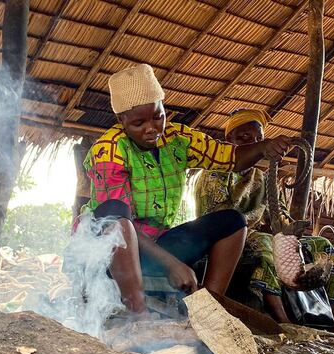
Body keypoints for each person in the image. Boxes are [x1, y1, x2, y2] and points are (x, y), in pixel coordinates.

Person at [80, 64, 293, 314]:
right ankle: (137, 314)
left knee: (232, 221)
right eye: (138, 123)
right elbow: (116, 220)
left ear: (163, 108)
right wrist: (171, 263)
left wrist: (263, 147)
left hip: (156, 243)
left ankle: (207, 311)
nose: (152, 128)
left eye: (158, 116)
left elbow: (229, 158)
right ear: (121, 120)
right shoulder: (109, 149)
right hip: (107, 250)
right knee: (114, 214)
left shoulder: (178, 138)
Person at [194, 109, 334, 335]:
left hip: (257, 235)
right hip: (227, 240)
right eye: (243, 139)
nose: (253, 144)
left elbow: (278, 213)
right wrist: (257, 224)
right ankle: (282, 320)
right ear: (228, 141)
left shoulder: (262, 177)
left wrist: (289, 229)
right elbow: (216, 217)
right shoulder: (215, 174)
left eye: (258, 139)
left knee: (321, 245)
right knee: (265, 243)